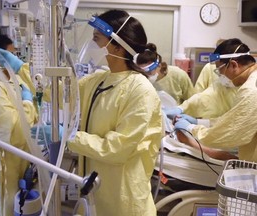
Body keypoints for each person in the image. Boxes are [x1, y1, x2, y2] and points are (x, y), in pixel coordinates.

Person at [66, 9, 163, 216]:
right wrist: (22, 70)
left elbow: (117, 149)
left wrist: (70, 137)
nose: (93, 46)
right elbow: (62, 92)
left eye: (96, 39)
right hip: (97, 193)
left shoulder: (140, 90)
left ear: (117, 47)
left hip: (124, 200)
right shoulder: (98, 80)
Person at [0, 33, 38, 215]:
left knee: (22, 205)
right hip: (4, 164)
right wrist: (29, 105)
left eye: (13, 56)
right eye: (8, 55)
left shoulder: (15, 80)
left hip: (22, 159)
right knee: (5, 207)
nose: (11, 61)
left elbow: (33, 115)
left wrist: (29, 109)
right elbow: (15, 131)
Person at [174, 38, 257, 162]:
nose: (220, 76)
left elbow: (230, 133)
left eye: (220, 71)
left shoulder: (251, 90)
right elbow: (234, 120)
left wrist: (191, 128)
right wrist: (200, 122)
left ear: (234, 64)